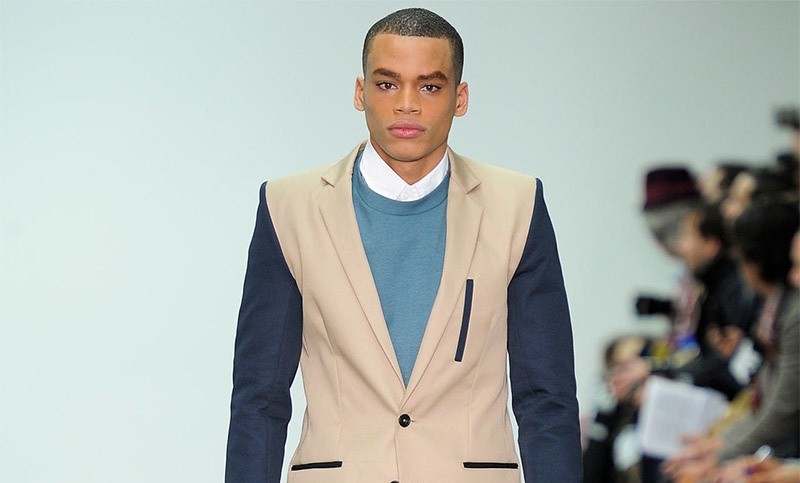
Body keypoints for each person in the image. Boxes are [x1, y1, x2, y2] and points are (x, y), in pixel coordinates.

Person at [225, 8, 581, 483]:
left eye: (429, 86)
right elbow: (259, 397)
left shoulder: (516, 205)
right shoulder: (288, 207)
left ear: (460, 98)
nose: (407, 104)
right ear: (360, 92)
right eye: (387, 84)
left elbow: (546, 398)